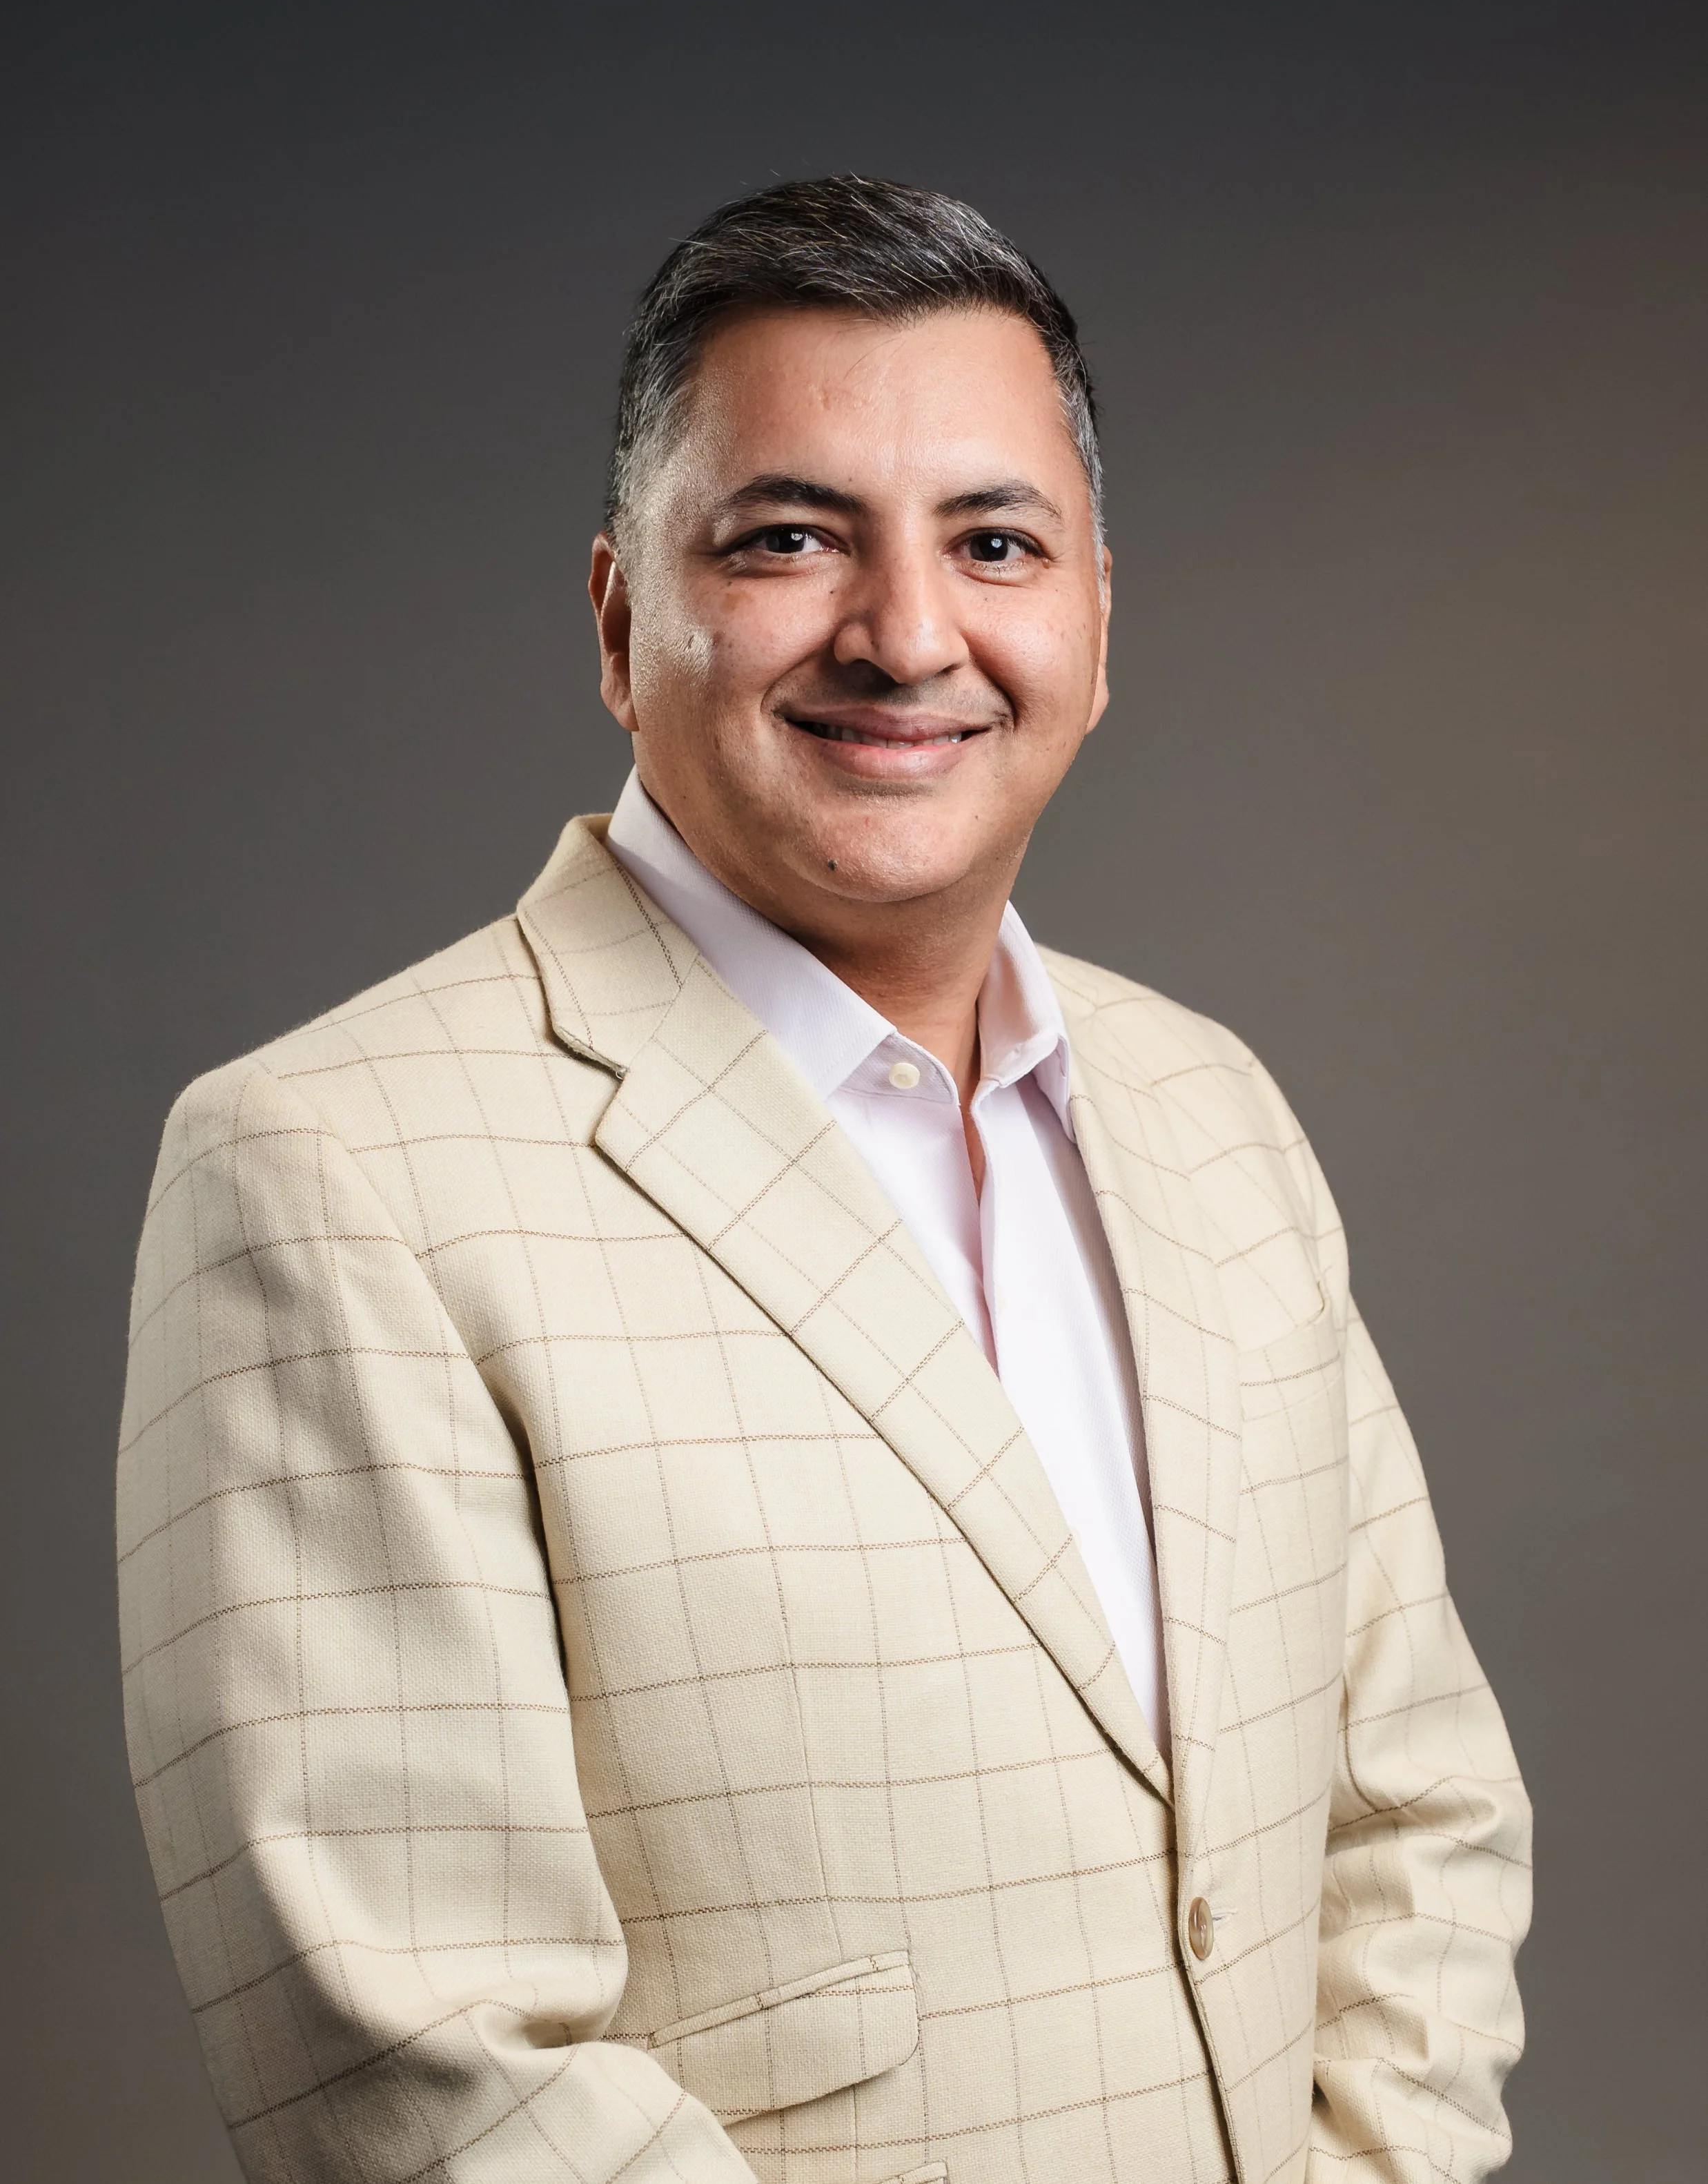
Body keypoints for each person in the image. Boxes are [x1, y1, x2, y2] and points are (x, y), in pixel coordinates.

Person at [118, 177, 1531, 2184]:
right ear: (621, 619)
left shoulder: (1215, 1111)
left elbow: (1419, 1816)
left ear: (1098, 622)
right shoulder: (331, 1176)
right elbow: (421, 2064)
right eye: (789, 538)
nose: (907, 635)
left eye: (994, 542)